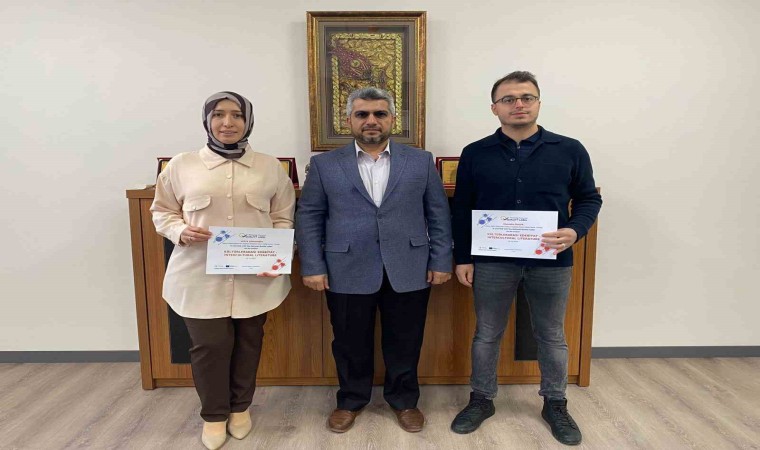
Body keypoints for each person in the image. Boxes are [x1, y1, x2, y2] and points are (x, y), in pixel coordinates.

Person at [450, 72, 602, 445]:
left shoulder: (570, 149)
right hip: (491, 261)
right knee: (487, 333)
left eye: (527, 97)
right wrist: (463, 257)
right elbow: (462, 207)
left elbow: (589, 198)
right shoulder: (475, 153)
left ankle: (555, 403)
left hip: (551, 260)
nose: (518, 104)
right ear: (494, 108)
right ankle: (482, 399)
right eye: (509, 99)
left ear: (538, 103)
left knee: (550, 334)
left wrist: (575, 230)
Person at [296, 87, 452, 434]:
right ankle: (351, 400)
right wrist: (313, 265)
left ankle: (404, 401)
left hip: (409, 265)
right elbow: (309, 216)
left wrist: (442, 260)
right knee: (349, 341)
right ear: (349, 120)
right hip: (345, 268)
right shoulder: (324, 164)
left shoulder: (420, 161)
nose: (371, 121)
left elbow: (438, 214)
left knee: (406, 339)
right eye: (362, 114)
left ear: (392, 119)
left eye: (379, 114)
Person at [151, 91, 295, 450]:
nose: (227, 123)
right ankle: (214, 415)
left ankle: (240, 408)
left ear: (248, 121)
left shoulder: (270, 167)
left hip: (256, 277)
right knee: (209, 346)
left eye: (236, 115)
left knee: (249, 342)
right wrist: (179, 231)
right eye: (218, 114)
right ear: (207, 120)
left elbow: (283, 217)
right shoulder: (181, 165)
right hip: (198, 276)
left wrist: (277, 256)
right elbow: (162, 212)